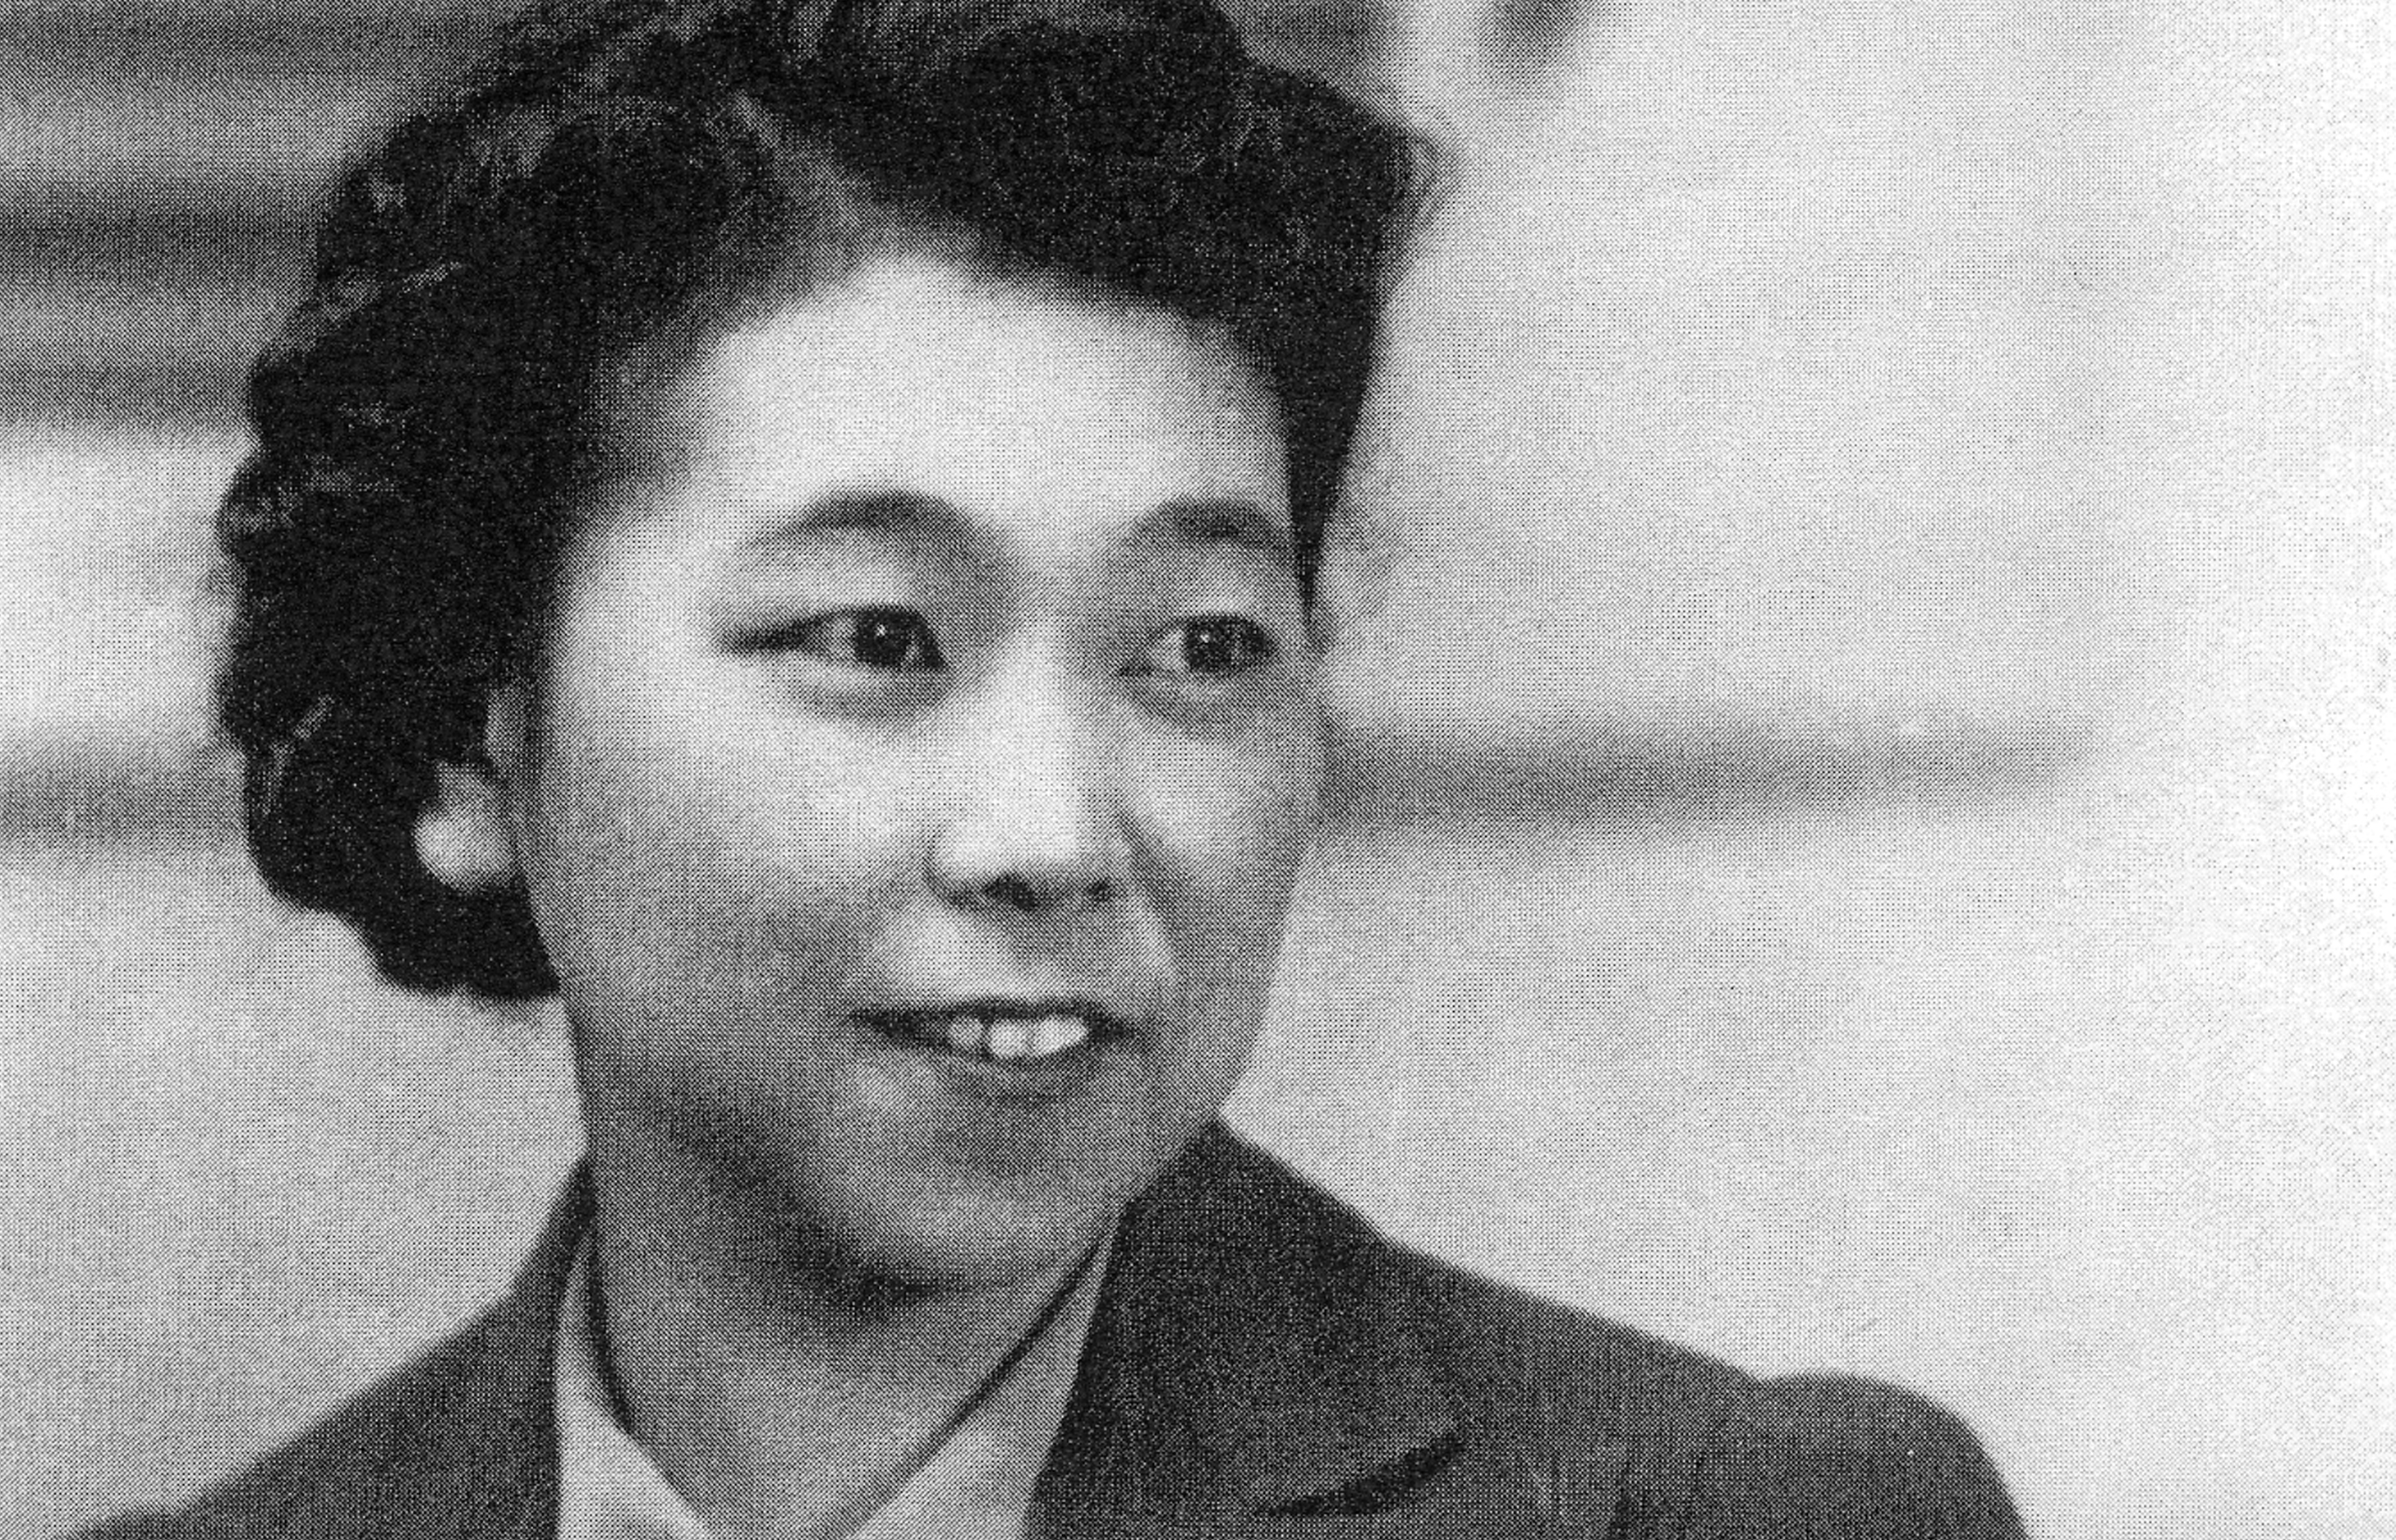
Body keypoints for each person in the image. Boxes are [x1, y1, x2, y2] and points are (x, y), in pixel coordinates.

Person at [85, 0, 2029, 1533]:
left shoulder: (1721, 1513)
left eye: (1198, 647)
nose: (1055, 835)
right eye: (877, 638)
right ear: (468, 736)